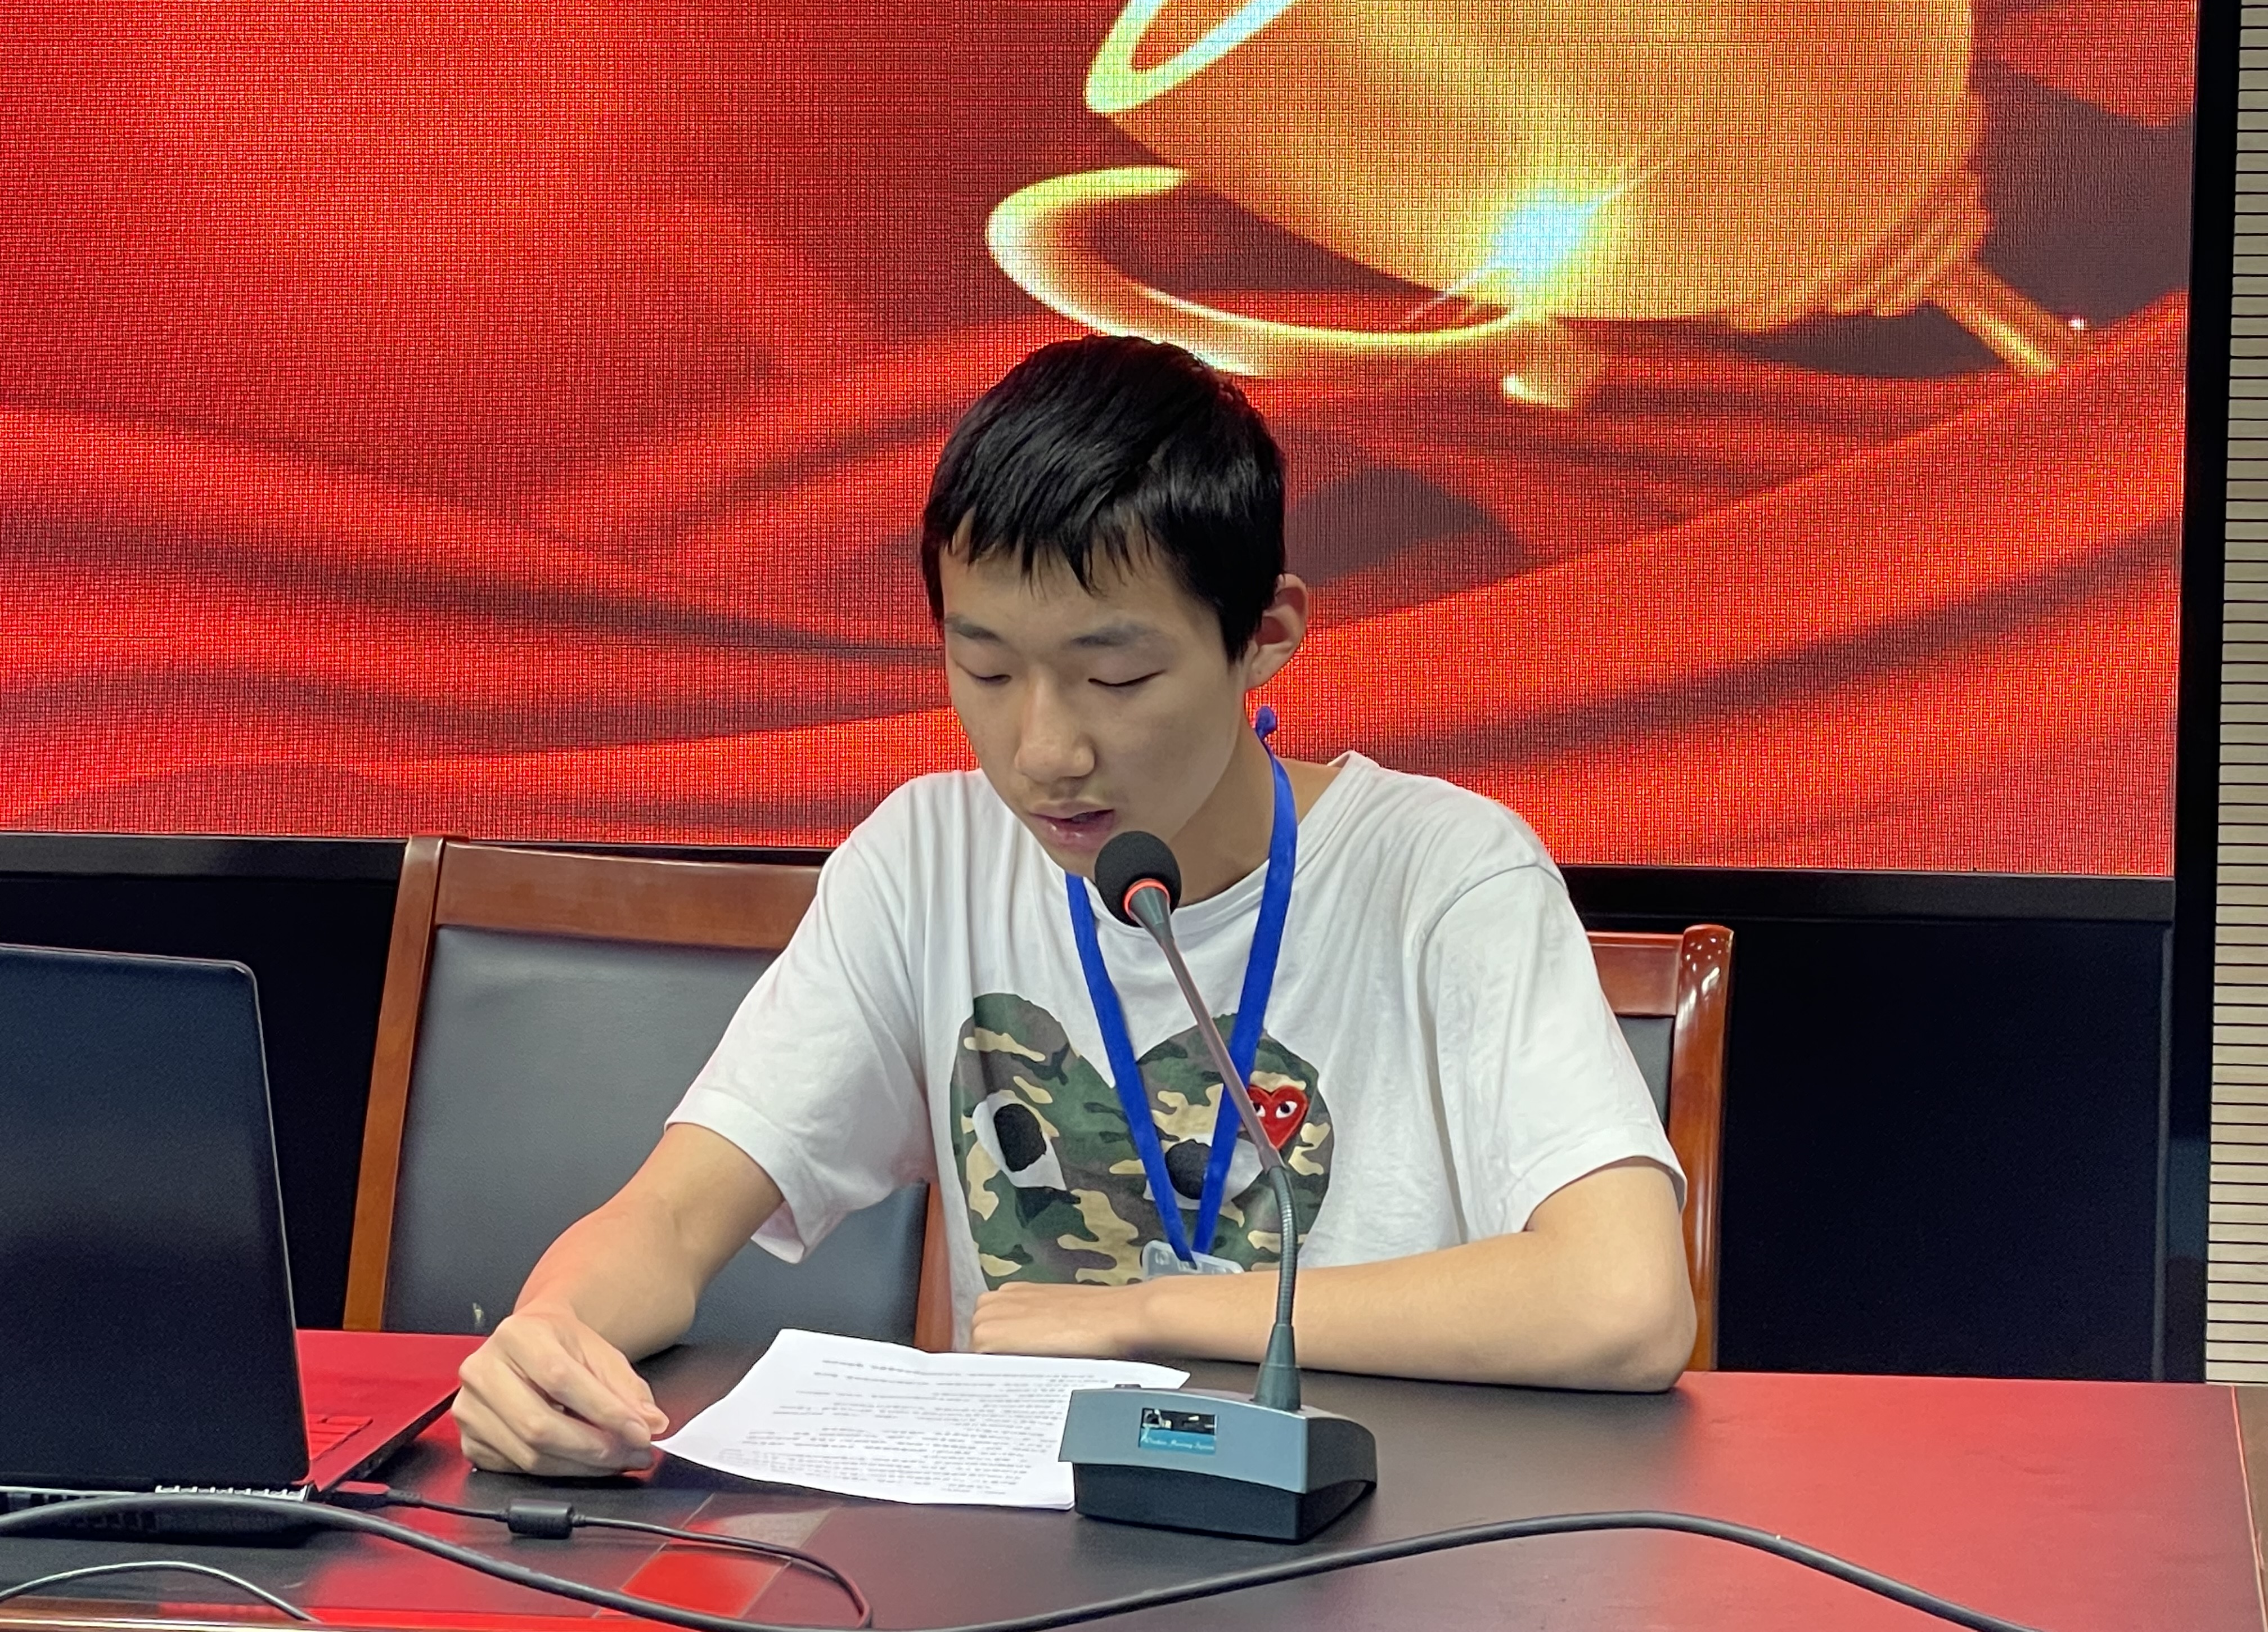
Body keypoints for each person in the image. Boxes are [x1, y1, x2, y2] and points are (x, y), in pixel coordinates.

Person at [452, 336, 1695, 1476]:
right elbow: (671, 1219)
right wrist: (551, 1338)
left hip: (1366, 1542)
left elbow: (1625, 1303)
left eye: (1118, 676)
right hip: (1025, 1562)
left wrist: (1145, 1313)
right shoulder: (926, 860)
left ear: (1266, 633)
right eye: (986, 670)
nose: (1046, 751)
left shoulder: (1444, 874)